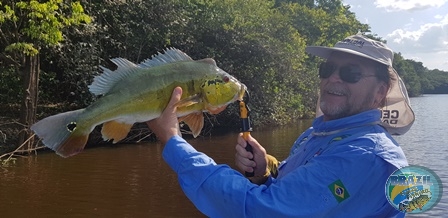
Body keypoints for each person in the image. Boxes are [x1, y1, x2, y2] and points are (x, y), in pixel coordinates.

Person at [147, 34, 415, 217]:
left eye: (351, 73)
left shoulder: (365, 156)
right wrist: (266, 170)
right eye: (327, 69)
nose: (333, 79)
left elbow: (260, 209)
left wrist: (173, 140)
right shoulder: (322, 134)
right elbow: (299, 184)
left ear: (380, 92)